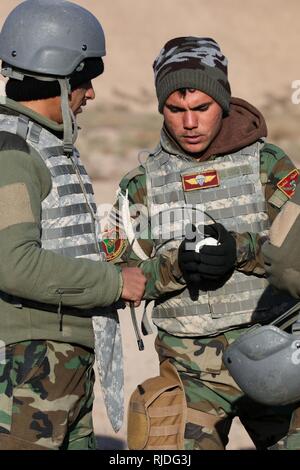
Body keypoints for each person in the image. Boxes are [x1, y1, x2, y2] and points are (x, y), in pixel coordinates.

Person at [105, 36, 300, 450]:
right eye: (175, 110)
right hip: (190, 368)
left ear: (223, 102)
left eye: (201, 109)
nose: (189, 123)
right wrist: (176, 265)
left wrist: (241, 251)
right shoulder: (140, 187)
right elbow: (116, 279)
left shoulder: (269, 165)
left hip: (275, 348)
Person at [0, 0, 146, 451]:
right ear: (61, 81)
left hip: (62, 357)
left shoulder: (42, 141)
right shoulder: (13, 151)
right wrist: (113, 282)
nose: (91, 95)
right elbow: (14, 263)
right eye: (86, 82)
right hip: (33, 365)